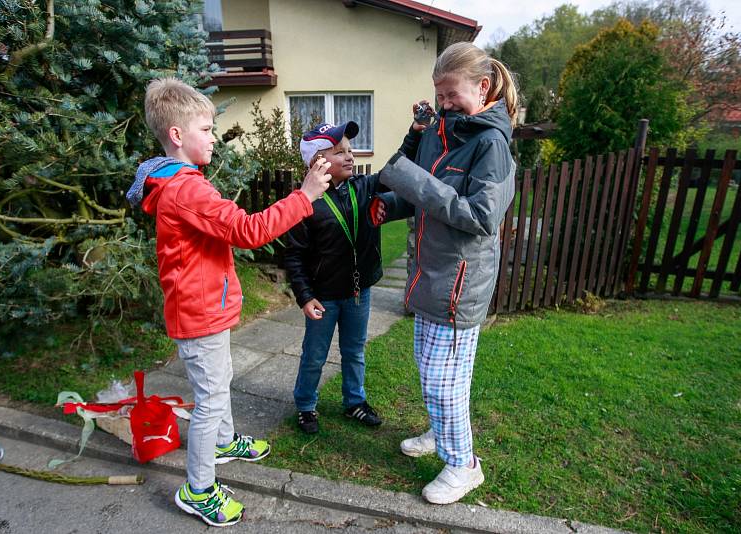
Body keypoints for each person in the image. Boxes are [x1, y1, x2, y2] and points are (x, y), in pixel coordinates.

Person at [126, 77, 331, 527]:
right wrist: (306, 196)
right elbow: (248, 231)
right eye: (206, 128)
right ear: (177, 135)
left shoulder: (180, 182)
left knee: (219, 383)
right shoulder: (187, 190)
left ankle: (223, 440)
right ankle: (198, 489)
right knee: (211, 398)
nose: (214, 137)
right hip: (198, 315)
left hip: (203, 309)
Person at [374, 42, 517, 505]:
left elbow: (481, 216)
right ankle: (441, 432)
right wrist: (390, 204)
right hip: (428, 274)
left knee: (443, 381)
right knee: (433, 371)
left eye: (452, 93)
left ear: (483, 85)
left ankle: (464, 465)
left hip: (458, 283)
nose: (444, 103)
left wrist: (410, 181)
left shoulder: (491, 143)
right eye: (439, 94)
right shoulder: (442, 128)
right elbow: (425, 192)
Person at [284, 121, 384, 434]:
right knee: (314, 355)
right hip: (322, 298)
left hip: (357, 293)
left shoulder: (362, 188)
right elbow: (293, 256)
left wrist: (417, 132)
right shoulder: (304, 203)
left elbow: (395, 170)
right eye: (339, 152)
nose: (350, 156)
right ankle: (305, 406)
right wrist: (304, 295)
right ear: (317, 162)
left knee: (354, 351)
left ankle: (354, 401)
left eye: (350, 150)